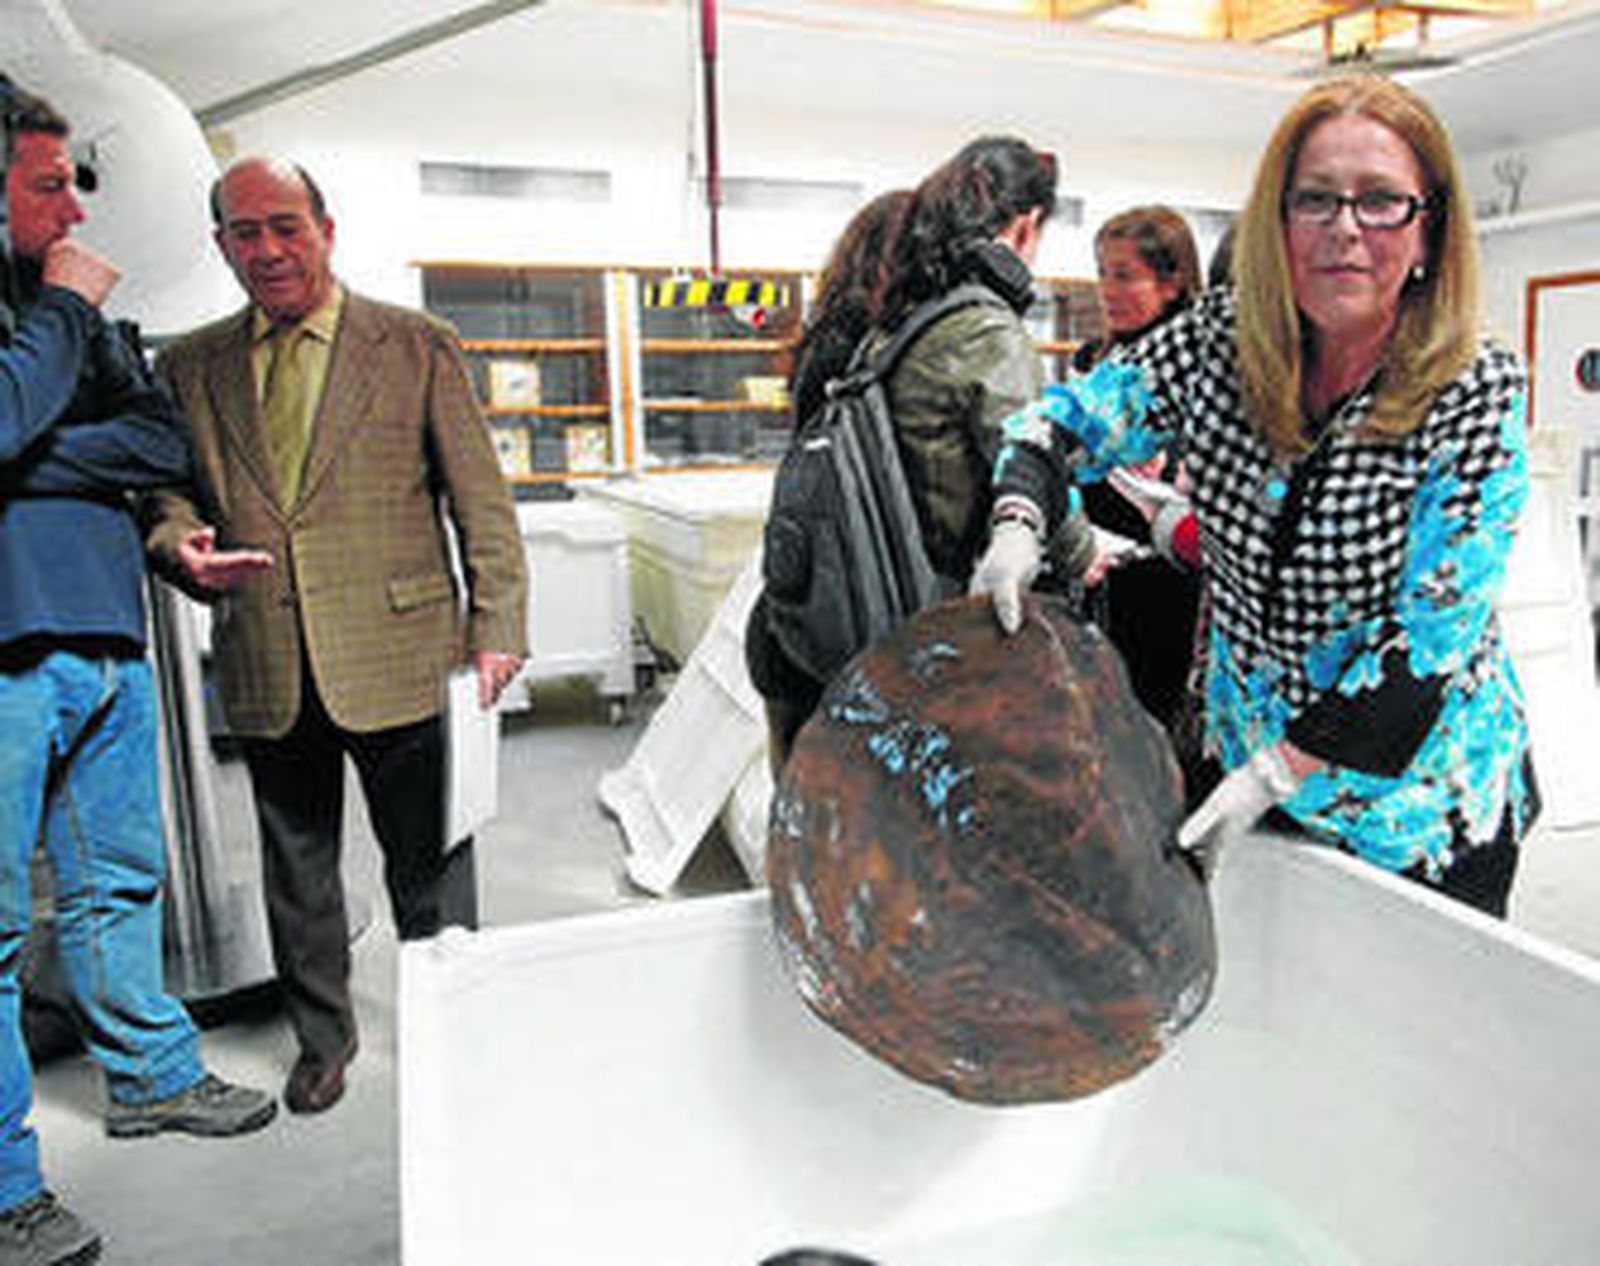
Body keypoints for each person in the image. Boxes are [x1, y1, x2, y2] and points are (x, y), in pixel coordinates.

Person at [972, 74, 1539, 917]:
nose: (1345, 228)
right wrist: (1018, 521)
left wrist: (1277, 774)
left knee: (1396, 1028)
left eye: (1381, 201)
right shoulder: (1219, 342)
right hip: (1245, 764)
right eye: (1315, 200)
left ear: (1428, 233)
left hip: (1419, 808)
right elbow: (1058, 423)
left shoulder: (1473, 390)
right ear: (1278, 222)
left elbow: (1431, 643)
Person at [145, 157, 529, 1115]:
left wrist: (499, 625)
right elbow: (166, 490)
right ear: (221, 245)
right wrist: (174, 542)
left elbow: (481, 501)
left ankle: (463, 1030)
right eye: (244, 233)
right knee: (296, 869)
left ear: (325, 226)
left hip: (403, 649)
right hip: (267, 651)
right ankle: (323, 1040)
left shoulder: (413, 344)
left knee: (430, 865)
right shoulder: (188, 366)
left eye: (285, 225)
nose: (268, 249)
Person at [0, 78, 275, 1266]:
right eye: (48, 184)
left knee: (123, 882)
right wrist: (60, 329)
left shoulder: (81, 313)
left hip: (108, 632)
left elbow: (164, 440)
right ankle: (8, 1190)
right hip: (5, 651)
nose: (76, 209)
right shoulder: (68, 306)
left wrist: (39, 449)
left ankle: (152, 1077)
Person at [747, 139, 1094, 762]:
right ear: (1026, 226)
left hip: (822, 630)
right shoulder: (985, 329)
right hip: (922, 640)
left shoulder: (887, 327)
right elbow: (1032, 464)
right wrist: (1084, 551)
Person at [744, 188, 910, 758]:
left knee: (798, 811)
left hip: (788, 626)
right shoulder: (874, 362)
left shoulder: (824, 347)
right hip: (835, 636)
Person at [1071, 207, 1208, 798]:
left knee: (1154, 728)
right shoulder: (1092, 362)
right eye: (1103, 274)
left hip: (1168, 582)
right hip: (1098, 573)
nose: (1108, 291)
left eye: (1125, 276)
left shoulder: (1203, 366)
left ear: (1172, 281)